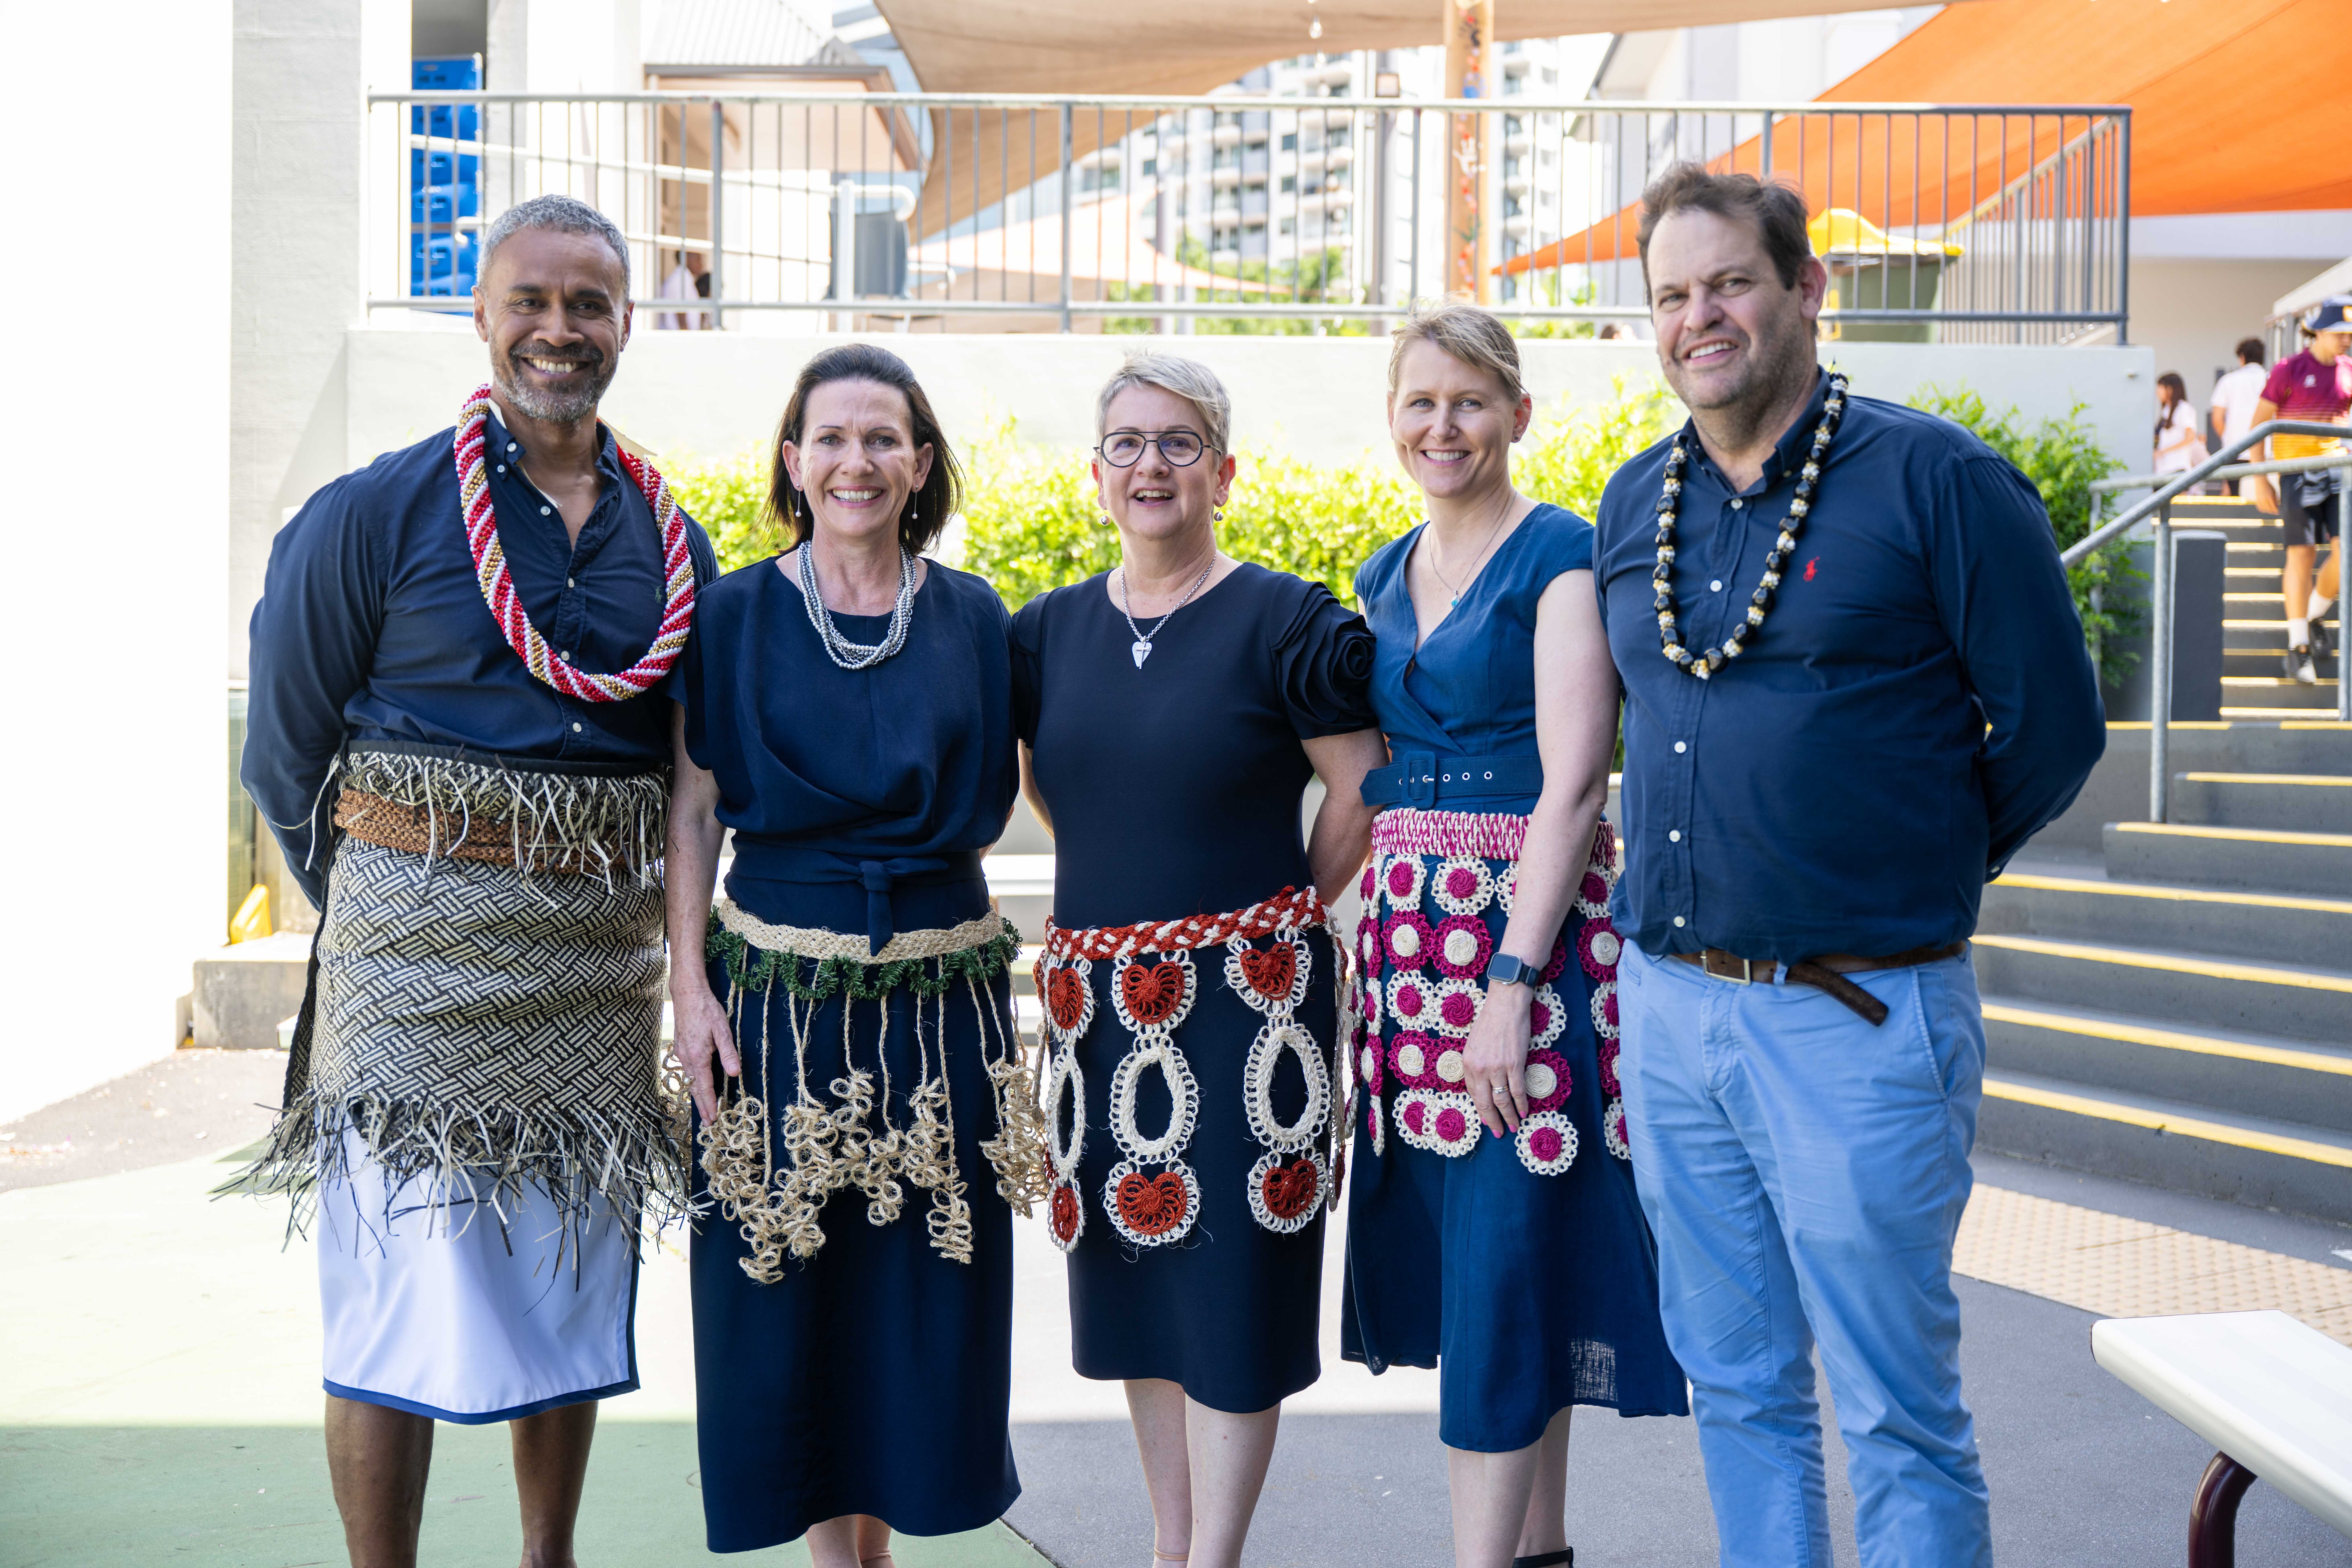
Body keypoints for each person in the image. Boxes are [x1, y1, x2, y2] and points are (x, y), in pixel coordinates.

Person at [1594, 165, 2104, 1568]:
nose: (1701, 316)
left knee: (1895, 1408)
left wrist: (1911, 862)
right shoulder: (1634, 501)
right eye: (1672, 294)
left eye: (1730, 283)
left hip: (1860, 1013)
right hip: (1672, 1008)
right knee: (1739, 1384)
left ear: (1806, 290)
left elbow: (2052, 728)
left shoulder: (1939, 481)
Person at [236, 193, 718, 1568]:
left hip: (587, 969)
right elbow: (285, 749)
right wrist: (388, 894)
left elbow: (695, 772)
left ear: (629, 322)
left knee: (559, 1282)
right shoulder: (373, 511)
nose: (559, 329)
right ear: (483, 314)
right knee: (393, 1290)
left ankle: (542, 1556)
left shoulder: (672, 543)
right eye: (533, 300)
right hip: (410, 965)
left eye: (589, 303)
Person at [667, 343, 1045, 1565]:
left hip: (942, 1013)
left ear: (922, 463)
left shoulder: (979, 617)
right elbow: (692, 812)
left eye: (883, 438)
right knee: (789, 1307)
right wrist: (688, 987)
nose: (856, 461)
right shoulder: (730, 613)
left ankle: (887, 1545)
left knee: (915, 1301)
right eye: (831, 437)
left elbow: (1052, 785)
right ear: (792, 459)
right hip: (775, 1006)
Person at [1012, 353, 1387, 1568]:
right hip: (1101, 1006)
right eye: (1127, 443)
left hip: (1248, 1003)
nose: (1151, 466)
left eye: (1179, 443)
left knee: (1235, 1284)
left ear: (1224, 470)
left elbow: (1359, 786)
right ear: (1096, 472)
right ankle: (1168, 1542)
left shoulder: (1286, 619)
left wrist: (1263, 917)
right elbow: (1062, 794)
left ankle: (1213, 1555)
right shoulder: (1049, 632)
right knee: (1130, 1268)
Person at [1342, 304, 1688, 1568]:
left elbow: (1574, 784)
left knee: (1500, 1274)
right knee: (1494, 1269)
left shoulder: (1559, 557)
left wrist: (1509, 981)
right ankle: (1537, 1553)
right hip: (1405, 961)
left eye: (1471, 401)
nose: (1445, 425)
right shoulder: (1382, 573)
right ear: (1394, 417)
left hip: (1516, 958)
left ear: (1518, 415)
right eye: (1422, 401)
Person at [2254, 297, 2352, 684]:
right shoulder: (2289, 369)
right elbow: (2260, 423)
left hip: (2338, 472)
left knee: (2346, 555)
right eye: (2341, 334)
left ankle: (2314, 613)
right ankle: (2298, 646)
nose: (2347, 340)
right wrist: (2260, 476)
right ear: (2320, 331)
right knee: (2301, 556)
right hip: (2296, 474)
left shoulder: (2349, 370)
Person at [2209, 337, 2270, 506]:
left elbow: (2217, 418)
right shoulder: (2271, 379)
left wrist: (2228, 438)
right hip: (2267, 450)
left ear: (2242, 357)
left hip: (2235, 450)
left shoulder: (2228, 381)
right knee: (2267, 500)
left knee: (2237, 502)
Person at [2153, 371, 2205, 478]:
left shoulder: (2184, 408)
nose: (2157, 391)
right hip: (2163, 469)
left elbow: (2190, 437)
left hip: (2177, 467)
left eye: (2160, 387)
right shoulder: (2166, 410)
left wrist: (2163, 452)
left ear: (2171, 389)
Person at [658, 249, 706, 329]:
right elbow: (681, 311)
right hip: (679, 336)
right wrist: (686, 337)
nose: (702, 265)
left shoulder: (684, 277)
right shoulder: (682, 279)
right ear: (686, 259)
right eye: (698, 260)